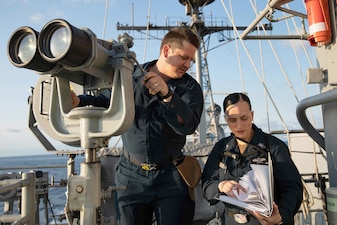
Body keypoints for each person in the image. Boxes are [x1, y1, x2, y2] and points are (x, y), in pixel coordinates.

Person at [72, 27, 204, 225]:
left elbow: (188, 125)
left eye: (191, 61)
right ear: (166, 51)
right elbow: (104, 100)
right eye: (184, 57)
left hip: (171, 176)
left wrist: (168, 95)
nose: (188, 65)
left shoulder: (190, 88)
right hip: (130, 177)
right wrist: (78, 101)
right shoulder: (129, 76)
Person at [202, 93, 303, 225]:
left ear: (252, 115)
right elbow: (207, 185)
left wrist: (281, 216)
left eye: (244, 118)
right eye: (233, 120)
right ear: (226, 119)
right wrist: (221, 186)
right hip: (231, 220)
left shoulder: (274, 147)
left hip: (266, 221)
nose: (239, 125)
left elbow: (292, 188)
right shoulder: (221, 148)